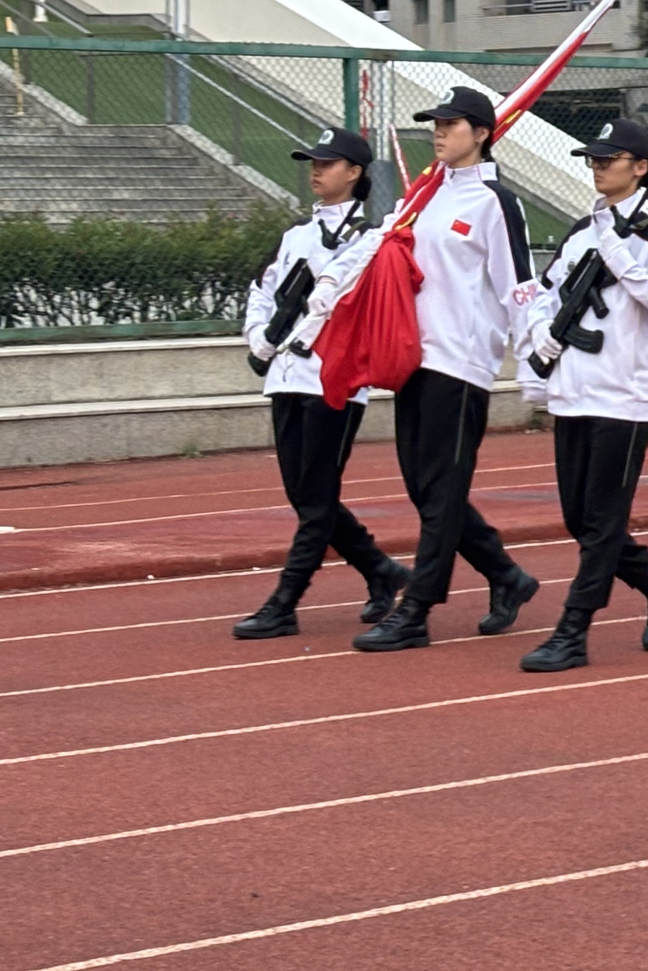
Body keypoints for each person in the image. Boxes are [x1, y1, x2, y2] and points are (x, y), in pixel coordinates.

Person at [344, 86, 545, 652]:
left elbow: (518, 285)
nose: (437, 131)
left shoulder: (495, 202)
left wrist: (534, 364)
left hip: (461, 363)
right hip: (412, 356)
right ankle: (506, 575)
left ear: (481, 133)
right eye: (435, 122)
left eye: (450, 124)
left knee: (442, 490)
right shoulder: (425, 195)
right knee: (427, 489)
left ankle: (417, 609)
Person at [517, 119, 648, 671]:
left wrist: (621, 257)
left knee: (602, 523)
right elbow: (545, 291)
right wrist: (541, 332)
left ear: (640, 168)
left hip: (623, 399)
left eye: (608, 159)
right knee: (579, 518)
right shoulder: (579, 231)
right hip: (573, 392)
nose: (597, 167)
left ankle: (573, 629)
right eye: (593, 159)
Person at [232, 127, 408, 639]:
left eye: (326, 163)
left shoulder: (372, 239)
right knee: (305, 494)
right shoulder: (296, 234)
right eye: (313, 162)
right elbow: (261, 290)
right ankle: (380, 570)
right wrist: (259, 336)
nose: (316, 170)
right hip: (286, 375)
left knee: (317, 496)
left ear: (354, 173)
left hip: (334, 380)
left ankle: (284, 603)